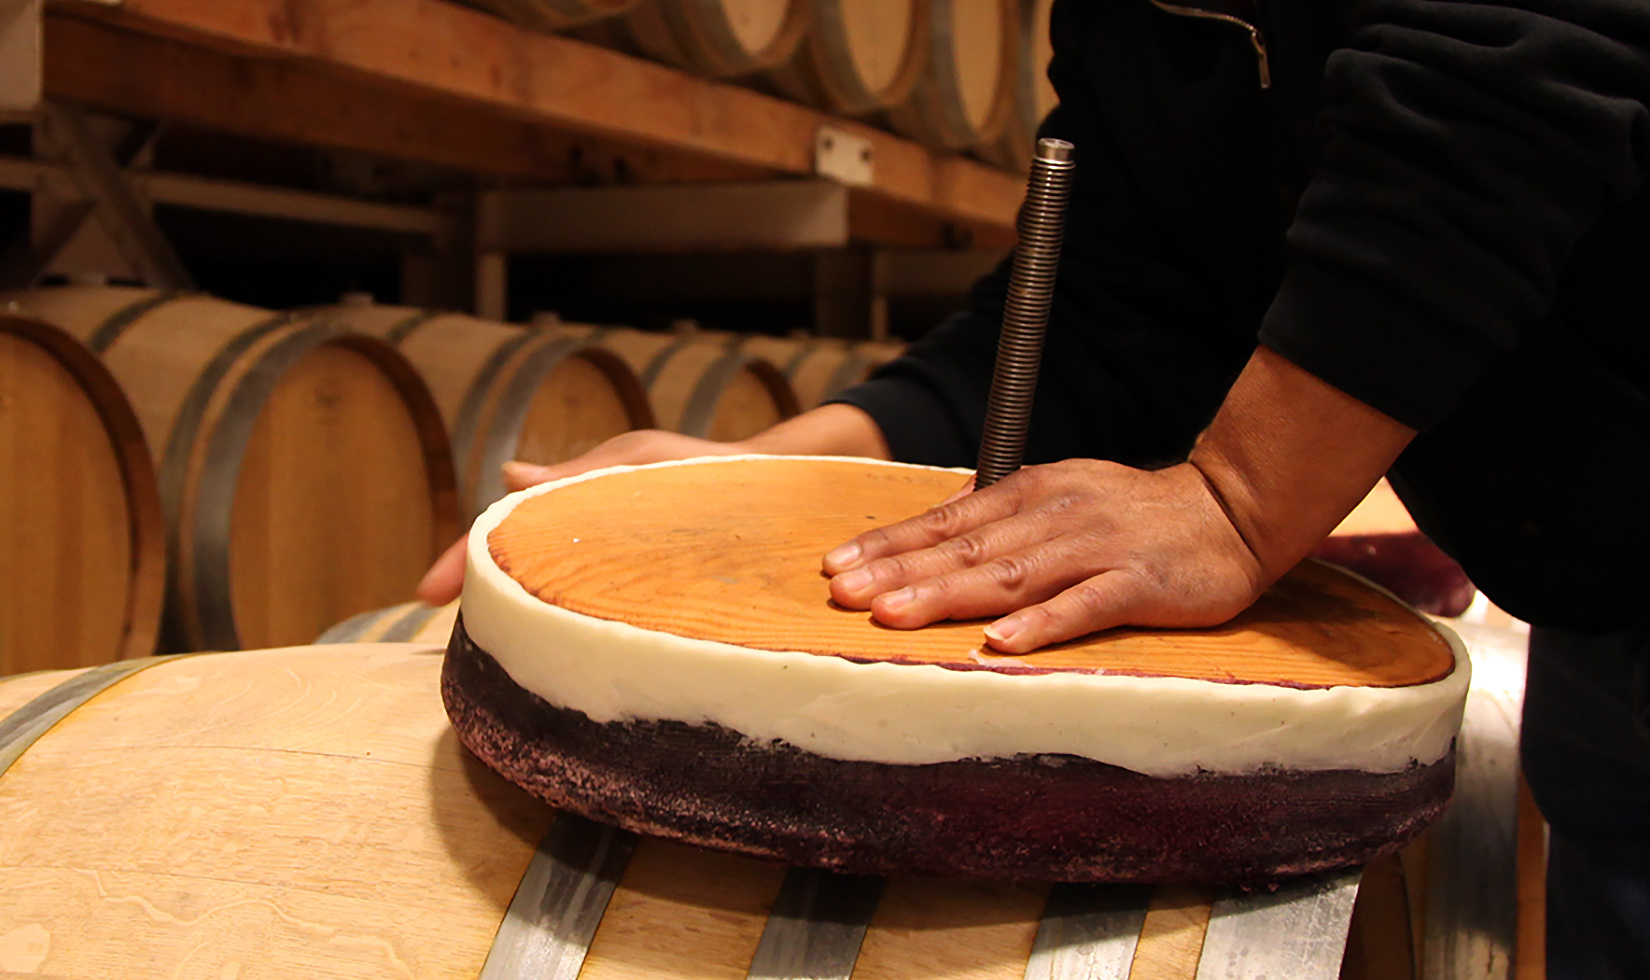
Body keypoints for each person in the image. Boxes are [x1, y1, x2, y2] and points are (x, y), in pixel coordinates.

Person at [420, 2, 1650, 976]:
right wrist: (794, 462)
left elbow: (1513, 72)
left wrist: (1239, 492)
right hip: (1604, 601)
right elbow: (1118, 301)